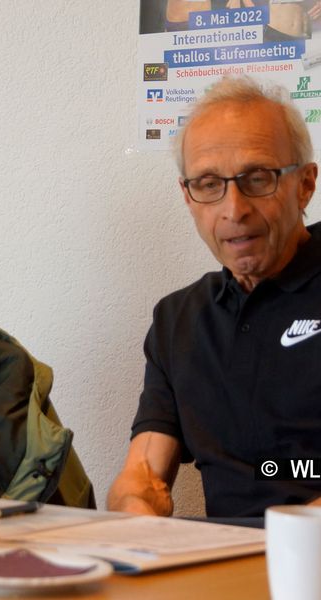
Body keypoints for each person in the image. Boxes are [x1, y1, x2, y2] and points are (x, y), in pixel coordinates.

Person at [107, 75, 321, 518]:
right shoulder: (178, 319)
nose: (234, 208)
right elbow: (140, 476)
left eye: (257, 178)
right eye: (208, 184)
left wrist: (292, 543)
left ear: (305, 184)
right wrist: (135, 513)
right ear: (187, 197)